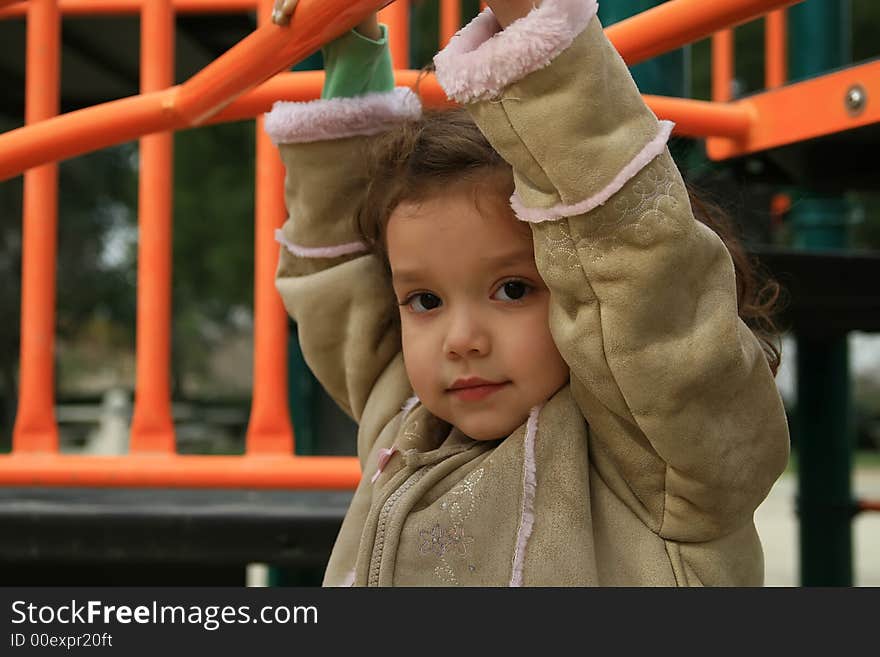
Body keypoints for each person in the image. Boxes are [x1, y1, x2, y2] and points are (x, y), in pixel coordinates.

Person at [265, 0, 790, 586]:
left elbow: (632, 257)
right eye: (425, 301)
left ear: (576, 281)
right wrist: (349, 42)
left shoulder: (657, 449)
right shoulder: (405, 415)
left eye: (512, 289)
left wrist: (530, 26)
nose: (461, 341)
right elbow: (337, 274)